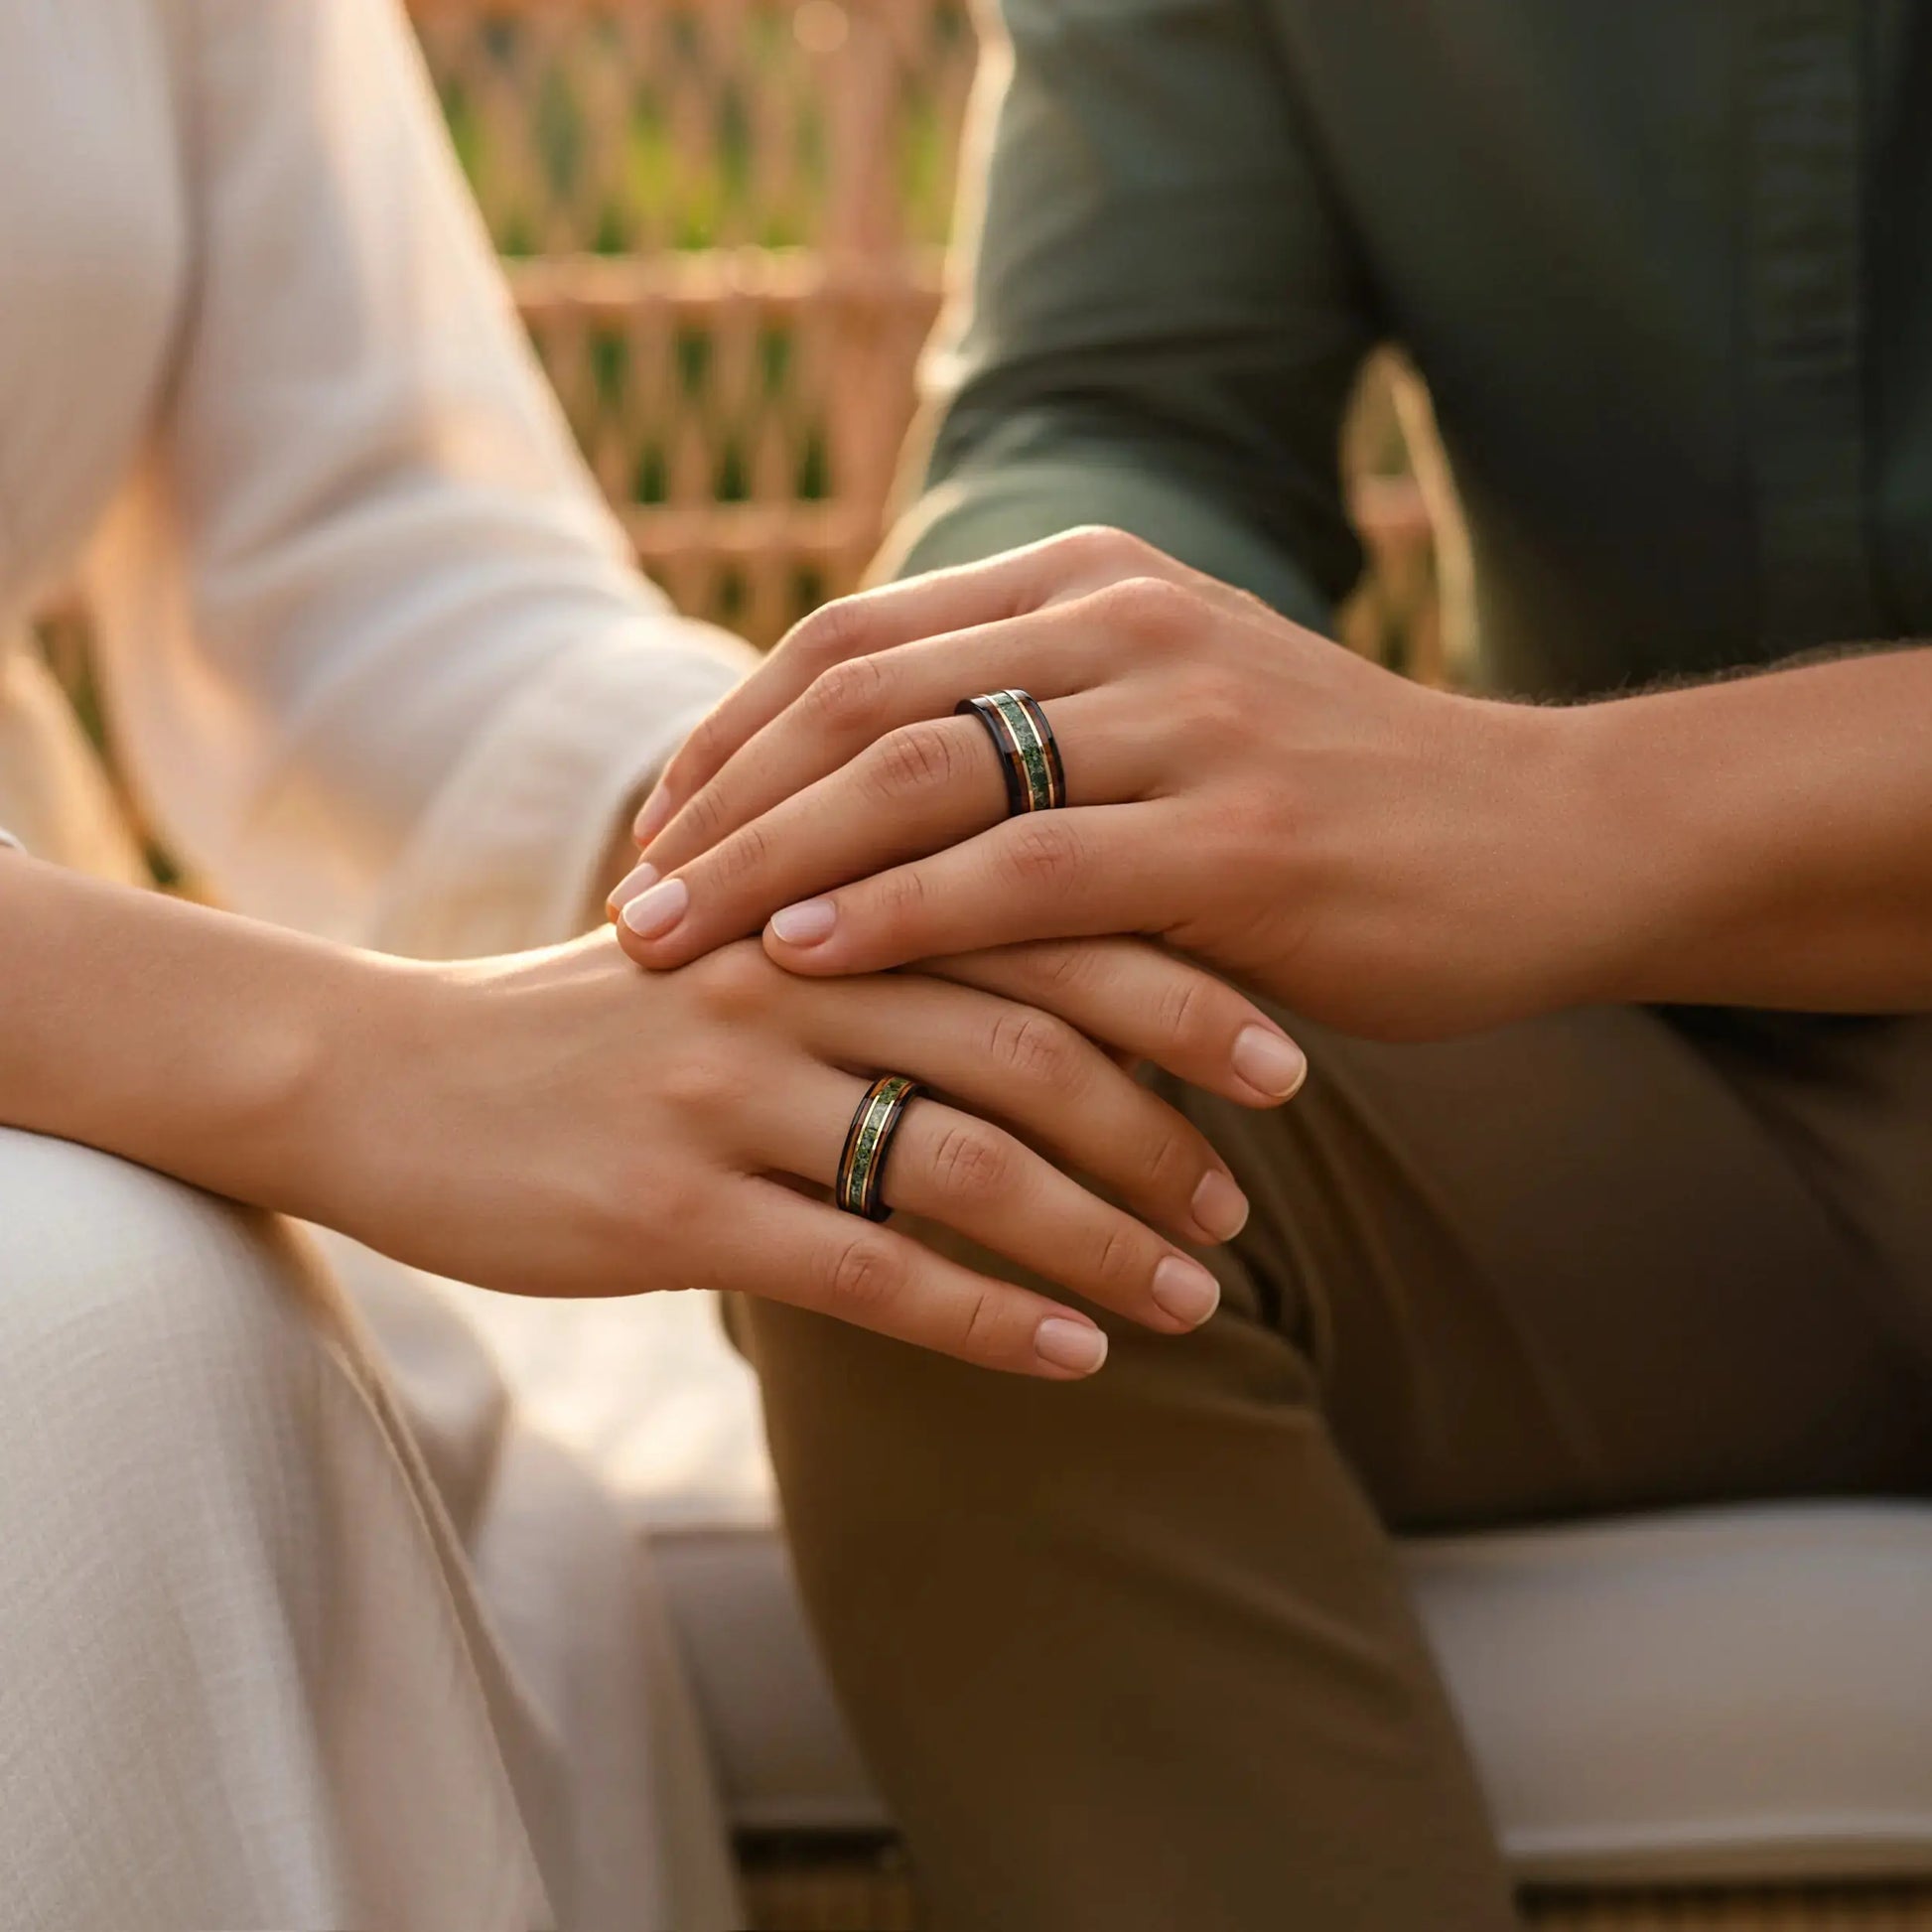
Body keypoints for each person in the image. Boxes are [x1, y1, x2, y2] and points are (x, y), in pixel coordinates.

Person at [608, 5, 1932, 1928]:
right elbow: (1125, 404)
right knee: (942, 1073)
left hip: (1623, 901)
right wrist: (1010, 746)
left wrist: (1565, 815)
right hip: (1699, 1091)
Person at [0, 2, 1300, 1926]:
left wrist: (775, 854)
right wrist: (345, 1061)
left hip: (123, 1060)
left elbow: (359, 545)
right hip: (118, 1050)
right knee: (88, 1355)